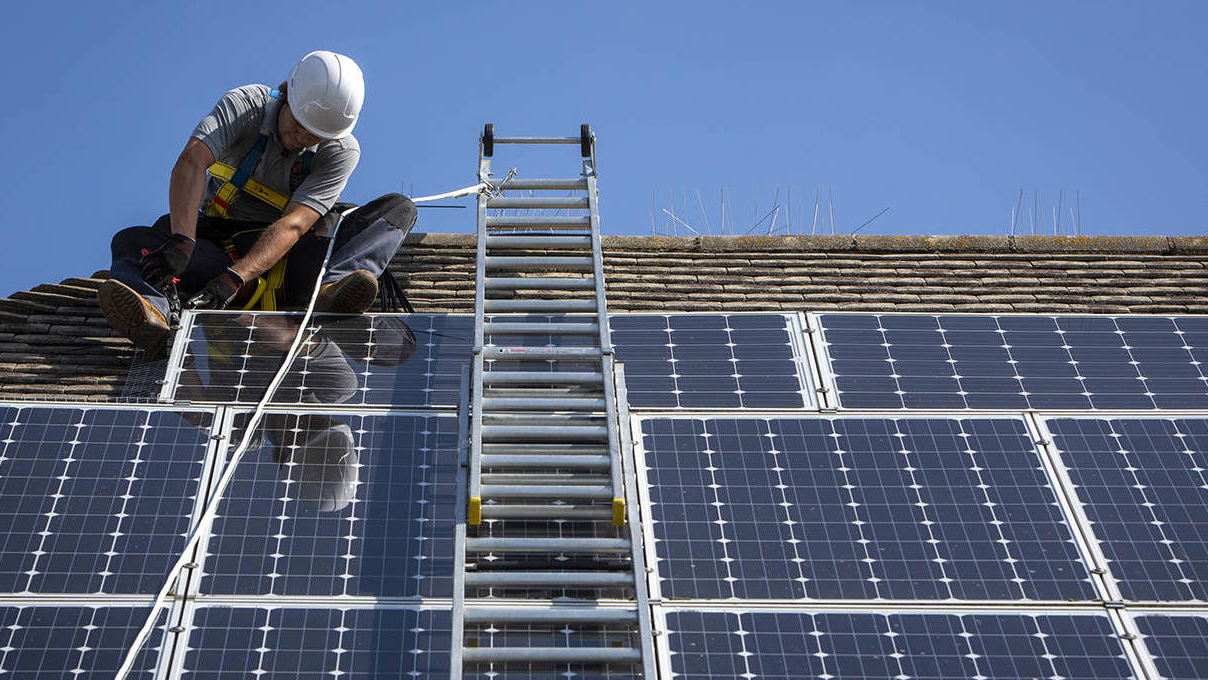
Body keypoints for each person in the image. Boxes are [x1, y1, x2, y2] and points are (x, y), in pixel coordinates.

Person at [98, 50, 417, 354]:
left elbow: (294, 224)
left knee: (398, 209)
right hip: (217, 250)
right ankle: (153, 314)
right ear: (289, 95)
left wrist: (235, 279)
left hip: (292, 261)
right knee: (135, 240)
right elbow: (192, 161)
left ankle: (331, 292)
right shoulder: (245, 106)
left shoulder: (341, 151)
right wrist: (183, 240)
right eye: (301, 125)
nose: (306, 138)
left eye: (317, 134)